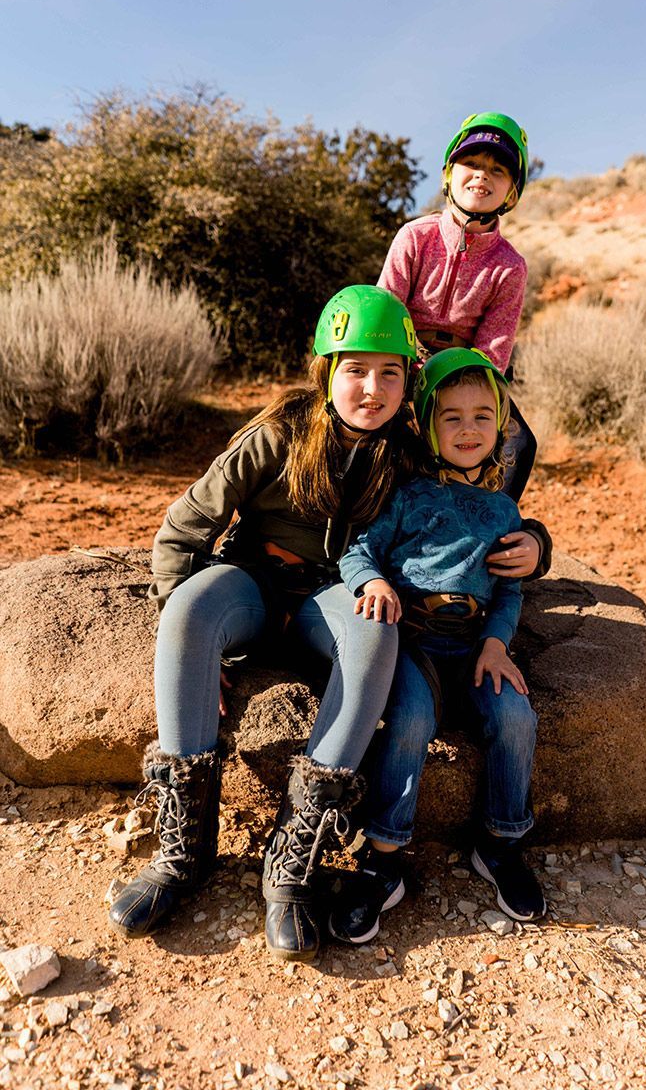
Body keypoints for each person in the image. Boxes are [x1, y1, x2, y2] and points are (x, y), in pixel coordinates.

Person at [107, 286, 546, 964]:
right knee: (192, 610)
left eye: (391, 372)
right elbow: (183, 531)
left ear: (408, 381)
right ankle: (181, 854)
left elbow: (478, 498)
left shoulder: (410, 446)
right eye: (355, 370)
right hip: (253, 582)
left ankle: (294, 860)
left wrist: (535, 544)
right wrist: (194, 653)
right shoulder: (276, 434)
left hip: (334, 594)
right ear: (325, 369)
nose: (372, 388)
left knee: (375, 632)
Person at [329, 348, 547, 947]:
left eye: (483, 416)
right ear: (427, 424)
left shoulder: (504, 508)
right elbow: (358, 553)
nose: (469, 429)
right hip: (411, 643)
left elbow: (508, 587)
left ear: (501, 425)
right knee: (408, 719)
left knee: (514, 717)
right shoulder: (407, 495)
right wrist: (371, 583)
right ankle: (384, 857)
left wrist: (498, 646)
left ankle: (500, 845)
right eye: (451, 416)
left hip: (475, 645)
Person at [378, 111, 536, 499]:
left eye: (498, 170)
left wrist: (456, 391)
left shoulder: (509, 266)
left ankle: (486, 528)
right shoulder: (415, 238)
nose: (482, 175)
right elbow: (385, 314)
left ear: (511, 194)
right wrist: (409, 374)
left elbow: (494, 352)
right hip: (401, 361)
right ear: (449, 174)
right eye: (472, 164)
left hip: (464, 375)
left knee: (519, 444)